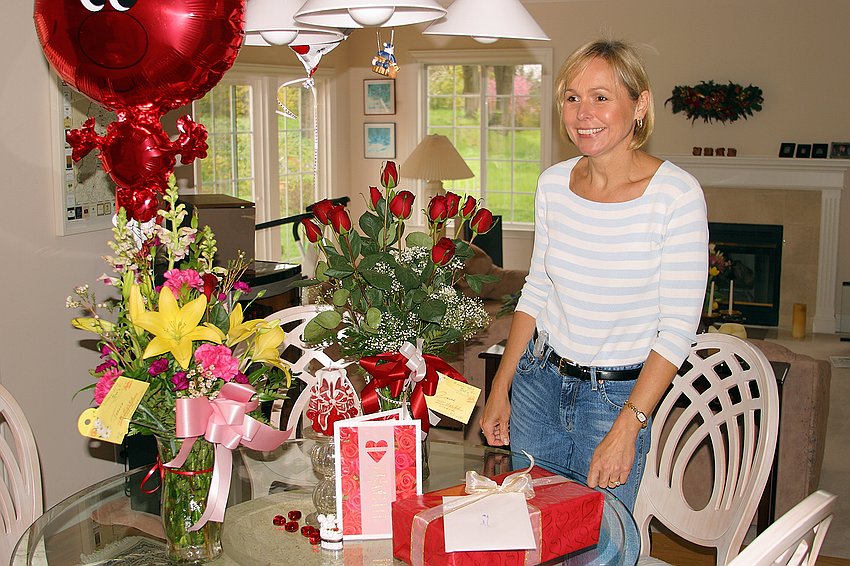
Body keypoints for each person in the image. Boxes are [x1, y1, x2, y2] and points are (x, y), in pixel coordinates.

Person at [479, 39, 708, 512]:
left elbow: (676, 331)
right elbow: (536, 291)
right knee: (533, 529)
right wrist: (500, 386)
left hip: (616, 400)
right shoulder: (553, 185)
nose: (583, 113)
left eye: (601, 97)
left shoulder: (676, 196)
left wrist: (628, 427)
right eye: (572, 97)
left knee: (604, 541)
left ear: (640, 105)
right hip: (539, 385)